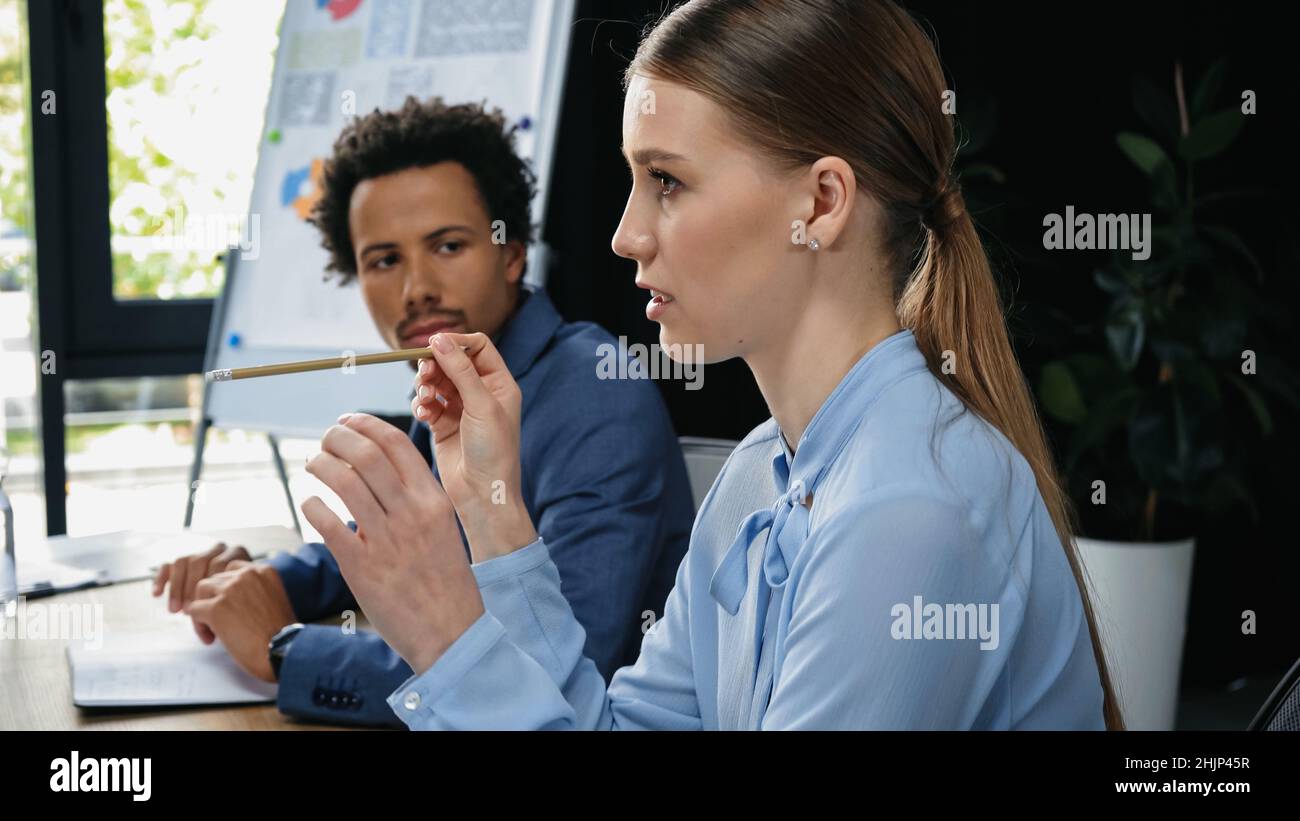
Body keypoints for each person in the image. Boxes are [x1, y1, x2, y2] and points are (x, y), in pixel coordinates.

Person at [300, 0, 1124, 729]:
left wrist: (448, 634)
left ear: (822, 203)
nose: (626, 235)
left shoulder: (911, 508)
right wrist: (492, 508)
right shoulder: (761, 471)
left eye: (666, 180)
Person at [154, 97, 694, 727]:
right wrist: (270, 581)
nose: (416, 290)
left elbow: (549, 664)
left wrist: (285, 650)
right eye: (384, 260)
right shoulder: (446, 386)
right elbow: (398, 549)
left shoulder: (597, 389)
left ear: (512, 254)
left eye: (447, 246)